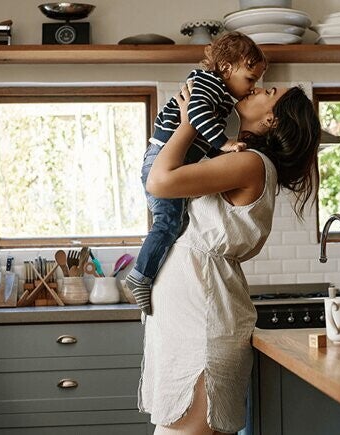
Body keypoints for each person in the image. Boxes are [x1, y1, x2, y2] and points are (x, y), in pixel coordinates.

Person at [138, 83, 321, 435]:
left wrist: (191, 121)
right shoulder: (238, 157)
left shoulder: (250, 163)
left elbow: (159, 181)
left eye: (269, 91)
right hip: (194, 316)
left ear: (271, 118)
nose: (257, 87)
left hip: (202, 323)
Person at [126, 32, 268, 315]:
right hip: (159, 157)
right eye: (250, 79)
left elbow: (201, 138)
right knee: (167, 223)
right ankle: (140, 276)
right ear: (226, 68)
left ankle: (149, 274)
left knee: (175, 223)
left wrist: (222, 152)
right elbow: (197, 116)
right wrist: (225, 144)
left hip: (173, 158)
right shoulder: (208, 83)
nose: (253, 87)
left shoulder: (222, 95)